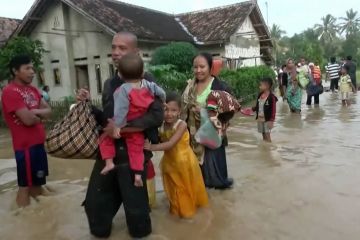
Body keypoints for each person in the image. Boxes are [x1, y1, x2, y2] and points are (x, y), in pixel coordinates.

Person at [78, 32, 164, 239]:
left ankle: (141, 233)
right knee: (94, 203)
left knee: (136, 211)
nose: (116, 52)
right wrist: (87, 105)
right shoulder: (109, 83)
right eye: (114, 47)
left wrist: (121, 130)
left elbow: (156, 117)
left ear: (136, 52)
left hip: (133, 154)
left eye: (122, 48)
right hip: (108, 152)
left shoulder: (146, 81)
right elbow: (107, 118)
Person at [99, 53, 166, 186]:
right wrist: (163, 101)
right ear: (142, 73)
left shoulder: (122, 90)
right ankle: (137, 175)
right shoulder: (148, 84)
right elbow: (161, 92)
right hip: (139, 126)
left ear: (121, 75)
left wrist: (118, 125)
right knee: (136, 150)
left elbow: (121, 109)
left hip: (125, 124)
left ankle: (109, 162)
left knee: (105, 138)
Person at [145, 92, 208, 218]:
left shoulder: (182, 125)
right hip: (169, 162)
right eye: (165, 109)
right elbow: (156, 138)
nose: (169, 114)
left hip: (184, 162)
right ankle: (176, 211)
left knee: (184, 188)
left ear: (179, 111)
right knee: (173, 188)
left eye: (173, 110)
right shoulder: (160, 126)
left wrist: (150, 147)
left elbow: (170, 144)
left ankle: (187, 214)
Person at [1, 55, 51, 207]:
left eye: (32, 68)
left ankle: (36, 219)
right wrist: (38, 116)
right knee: (25, 187)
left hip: (38, 146)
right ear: (15, 71)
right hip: (25, 148)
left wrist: (35, 112)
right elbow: (28, 120)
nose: (32, 72)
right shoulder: (10, 91)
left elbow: (49, 110)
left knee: (38, 186)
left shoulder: (33, 90)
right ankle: (21, 217)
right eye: (27, 68)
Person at [182, 52, 233, 189]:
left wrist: (205, 112)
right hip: (193, 135)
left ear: (210, 67)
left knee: (214, 174)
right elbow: (183, 110)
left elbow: (228, 112)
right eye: (195, 67)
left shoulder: (220, 87)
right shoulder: (189, 86)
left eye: (202, 67)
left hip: (212, 135)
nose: (198, 70)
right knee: (197, 174)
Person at [253, 77, 277, 142]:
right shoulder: (260, 95)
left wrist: (271, 120)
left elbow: (273, 110)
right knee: (263, 134)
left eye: (261, 85)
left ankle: (269, 148)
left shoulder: (271, 97)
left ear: (267, 86)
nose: (259, 87)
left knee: (267, 134)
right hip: (260, 118)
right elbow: (258, 105)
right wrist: (253, 109)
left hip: (267, 119)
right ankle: (265, 147)